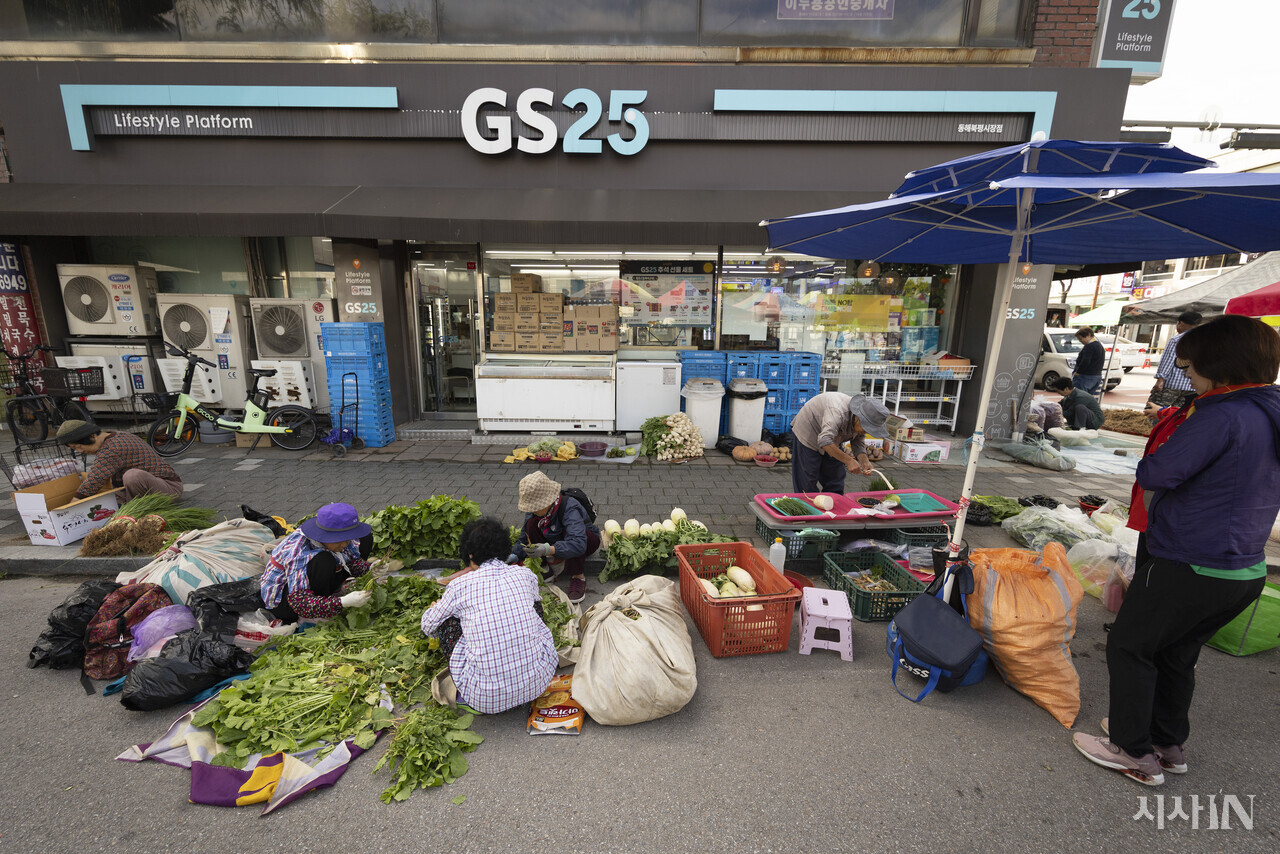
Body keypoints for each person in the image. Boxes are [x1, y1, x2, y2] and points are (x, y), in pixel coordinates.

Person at [1074, 315, 1280, 786]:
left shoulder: (1223, 414)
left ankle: (1131, 750)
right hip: (1244, 568)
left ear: (1219, 364)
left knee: (1130, 645)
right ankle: (1166, 744)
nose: (1186, 375)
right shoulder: (1269, 410)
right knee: (1176, 653)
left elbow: (1157, 473)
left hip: (1190, 560)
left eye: (1189, 368)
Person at [421, 516, 557, 715]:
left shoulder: (459, 586)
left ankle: (484, 686)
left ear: (470, 555)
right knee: (534, 606)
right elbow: (536, 611)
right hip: (538, 684)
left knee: (447, 621)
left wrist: (437, 607)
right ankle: (523, 672)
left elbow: (428, 626)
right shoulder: (525, 574)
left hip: (484, 699)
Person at [260, 502, 374, 623]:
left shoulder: (337, 542)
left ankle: (330, 597)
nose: (345, 544)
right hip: (287, 601)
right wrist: (342, 603)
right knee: (324, 561)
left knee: (365, 538)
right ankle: (323, 607)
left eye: (348, 539)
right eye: (341, 540)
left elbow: (351, 560)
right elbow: (299, 602)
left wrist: (370, 568)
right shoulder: (297, 551)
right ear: (324, 536)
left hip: (316, 579)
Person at [509, 471, 599, 605]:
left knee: (572, 534)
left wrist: (548, 549)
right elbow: (524, 537)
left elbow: (578, 543)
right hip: (555, 538)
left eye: (536, 507)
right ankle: (545, 568)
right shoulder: (535, 512)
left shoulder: (569, 507)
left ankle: (578, 577)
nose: (532, 510)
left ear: (547, 502)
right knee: (531, 525)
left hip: (585, 541)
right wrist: (514, 554)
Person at [789, 392, 905, 494]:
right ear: (858, 417)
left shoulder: (859, 421)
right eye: (866, 427)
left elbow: (858, 441)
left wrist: (864, 461)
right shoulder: (836, 411)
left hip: (832, 437)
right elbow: (824, 440)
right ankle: (807, 514)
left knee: (835, 480)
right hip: (809, 431)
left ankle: (833, 511)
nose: (866, 431)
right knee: (807, 482)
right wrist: (849, 460)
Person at [56, 419, 183, 501]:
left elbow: (94, 480)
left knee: (133, 476)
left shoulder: (112, 448)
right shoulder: (113, 435)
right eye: (74, 448)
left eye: (78, 446)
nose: (80, 451)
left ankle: (140, 509)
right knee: (101, 500)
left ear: (92, 436)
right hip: (146, 487)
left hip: (168, 489)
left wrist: (72, 505)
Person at [1148, 310, 1203, 411]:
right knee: (1178, 414)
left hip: (1171, 384)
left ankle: (1154, 427)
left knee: (1153, 410)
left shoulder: (1177, 339)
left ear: (1180, 323)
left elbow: (1168, 360)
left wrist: (1160, 380)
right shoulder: (1205, 339)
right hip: (1192, 386)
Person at [1071, 326, 1106, 394]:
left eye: (1081, 338)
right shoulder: (1099, 345)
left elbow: (1085, 361)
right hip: (1097, 375)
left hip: (1085, 376)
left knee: (1079, 397)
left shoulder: (1089, 347)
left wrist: (1078, 372)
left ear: (1088, 336)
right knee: (1090, 399)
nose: (1080, 341)